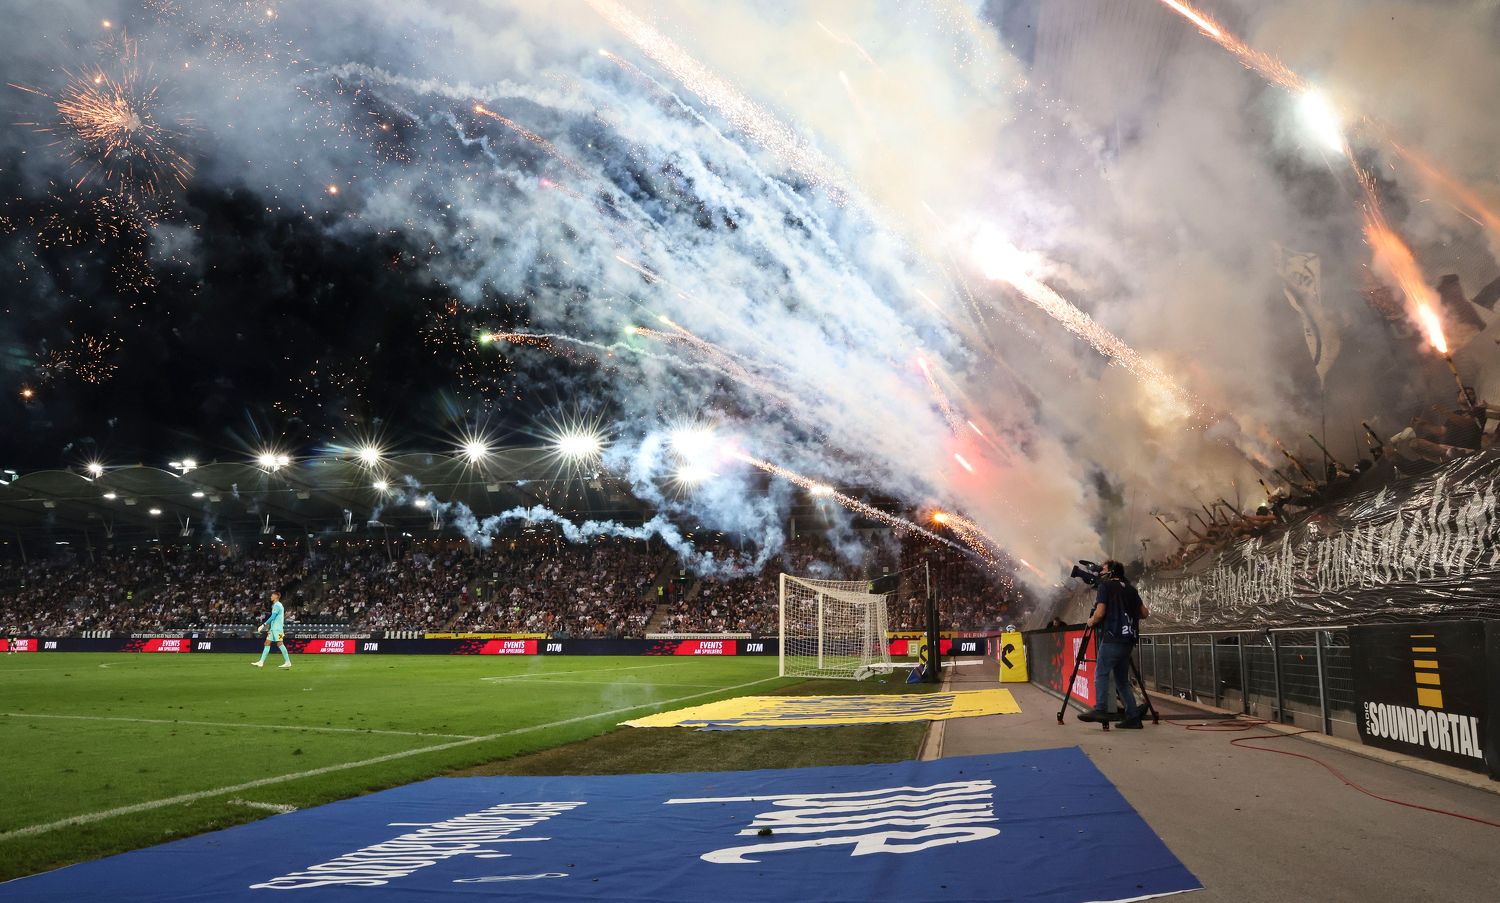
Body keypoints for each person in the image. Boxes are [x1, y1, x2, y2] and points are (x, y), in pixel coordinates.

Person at [1077, 560, 1148, 728]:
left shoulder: (1105, 587)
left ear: (1112, 572)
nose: (1100, 572)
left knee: (1101, 673)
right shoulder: (1131, 589)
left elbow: (1100, 613)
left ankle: (1100, 708)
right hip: (1128, 639)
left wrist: (1091, 620)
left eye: (1104, 569)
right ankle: (1133, 717)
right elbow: (1144, 613)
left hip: (1112, 636)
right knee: (1121, 680)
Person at [252, 590, 292, 669]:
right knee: (267, 643)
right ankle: (261, 662)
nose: (271, 597)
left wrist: (263, 625)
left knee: (280, 643)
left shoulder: (277, 605)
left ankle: (288, 662)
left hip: (277, 628)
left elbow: (273, 617)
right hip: (273, 628)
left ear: (276, 597)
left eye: (272, 595)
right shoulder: (276, 605)